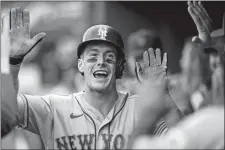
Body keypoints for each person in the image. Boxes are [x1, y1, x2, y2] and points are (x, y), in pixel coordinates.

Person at [1, 6, 182, 149]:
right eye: (93, 56)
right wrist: (12, 63)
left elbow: (184, 140)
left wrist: (163, 95)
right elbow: (6, 113)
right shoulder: (53, 108)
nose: (101, 62)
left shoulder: (142, 108)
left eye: (109, 57)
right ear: (80, 65)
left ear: (120, 66)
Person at [131, 1, 224, 149]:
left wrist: (160, 99)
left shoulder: (184, 93)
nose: (142, 63)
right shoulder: (117, 90)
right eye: (137, 58)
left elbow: (185, 131)